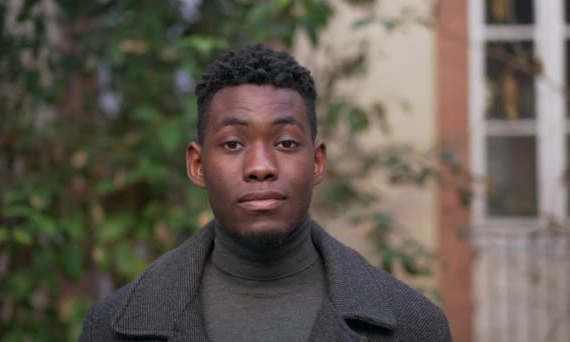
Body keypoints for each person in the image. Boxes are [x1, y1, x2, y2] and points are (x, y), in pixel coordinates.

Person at [79, 44, 452, 341]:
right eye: (232, 144)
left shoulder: (413, 326)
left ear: (318, 162)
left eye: (287, 143)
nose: (261, 166)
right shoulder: (112, 327)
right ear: (197, 165)